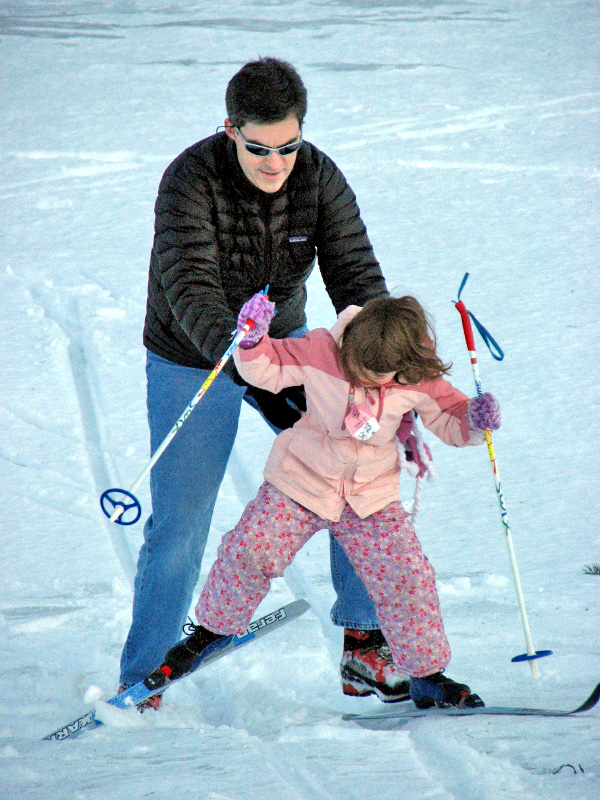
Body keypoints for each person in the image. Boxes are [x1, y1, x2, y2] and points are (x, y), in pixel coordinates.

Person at [120, 56, 409, 707]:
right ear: (231, 129)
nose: (275, 163)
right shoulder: (189, 181)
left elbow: (357, 278)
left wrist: (386, 372)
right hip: (192, 357)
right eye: (259, 148)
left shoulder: (319, 178)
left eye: (288, 146)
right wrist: (242, 351)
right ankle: (143, 674)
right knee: (183, 520)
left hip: (286, 352)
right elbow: (188, 286)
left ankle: (365, 648)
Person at [152, 293, 501, 709]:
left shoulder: (418, 376)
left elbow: (450, 418)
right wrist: (253, 340)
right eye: (355, 366)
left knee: (408, 577)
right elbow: (269, 369)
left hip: (370, 496)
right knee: (251, 548)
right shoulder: (322, 348)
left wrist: (474, 420)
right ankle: (211, 631)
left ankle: (426, 674)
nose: (362, 378)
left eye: (375, 376)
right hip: (303, 479)